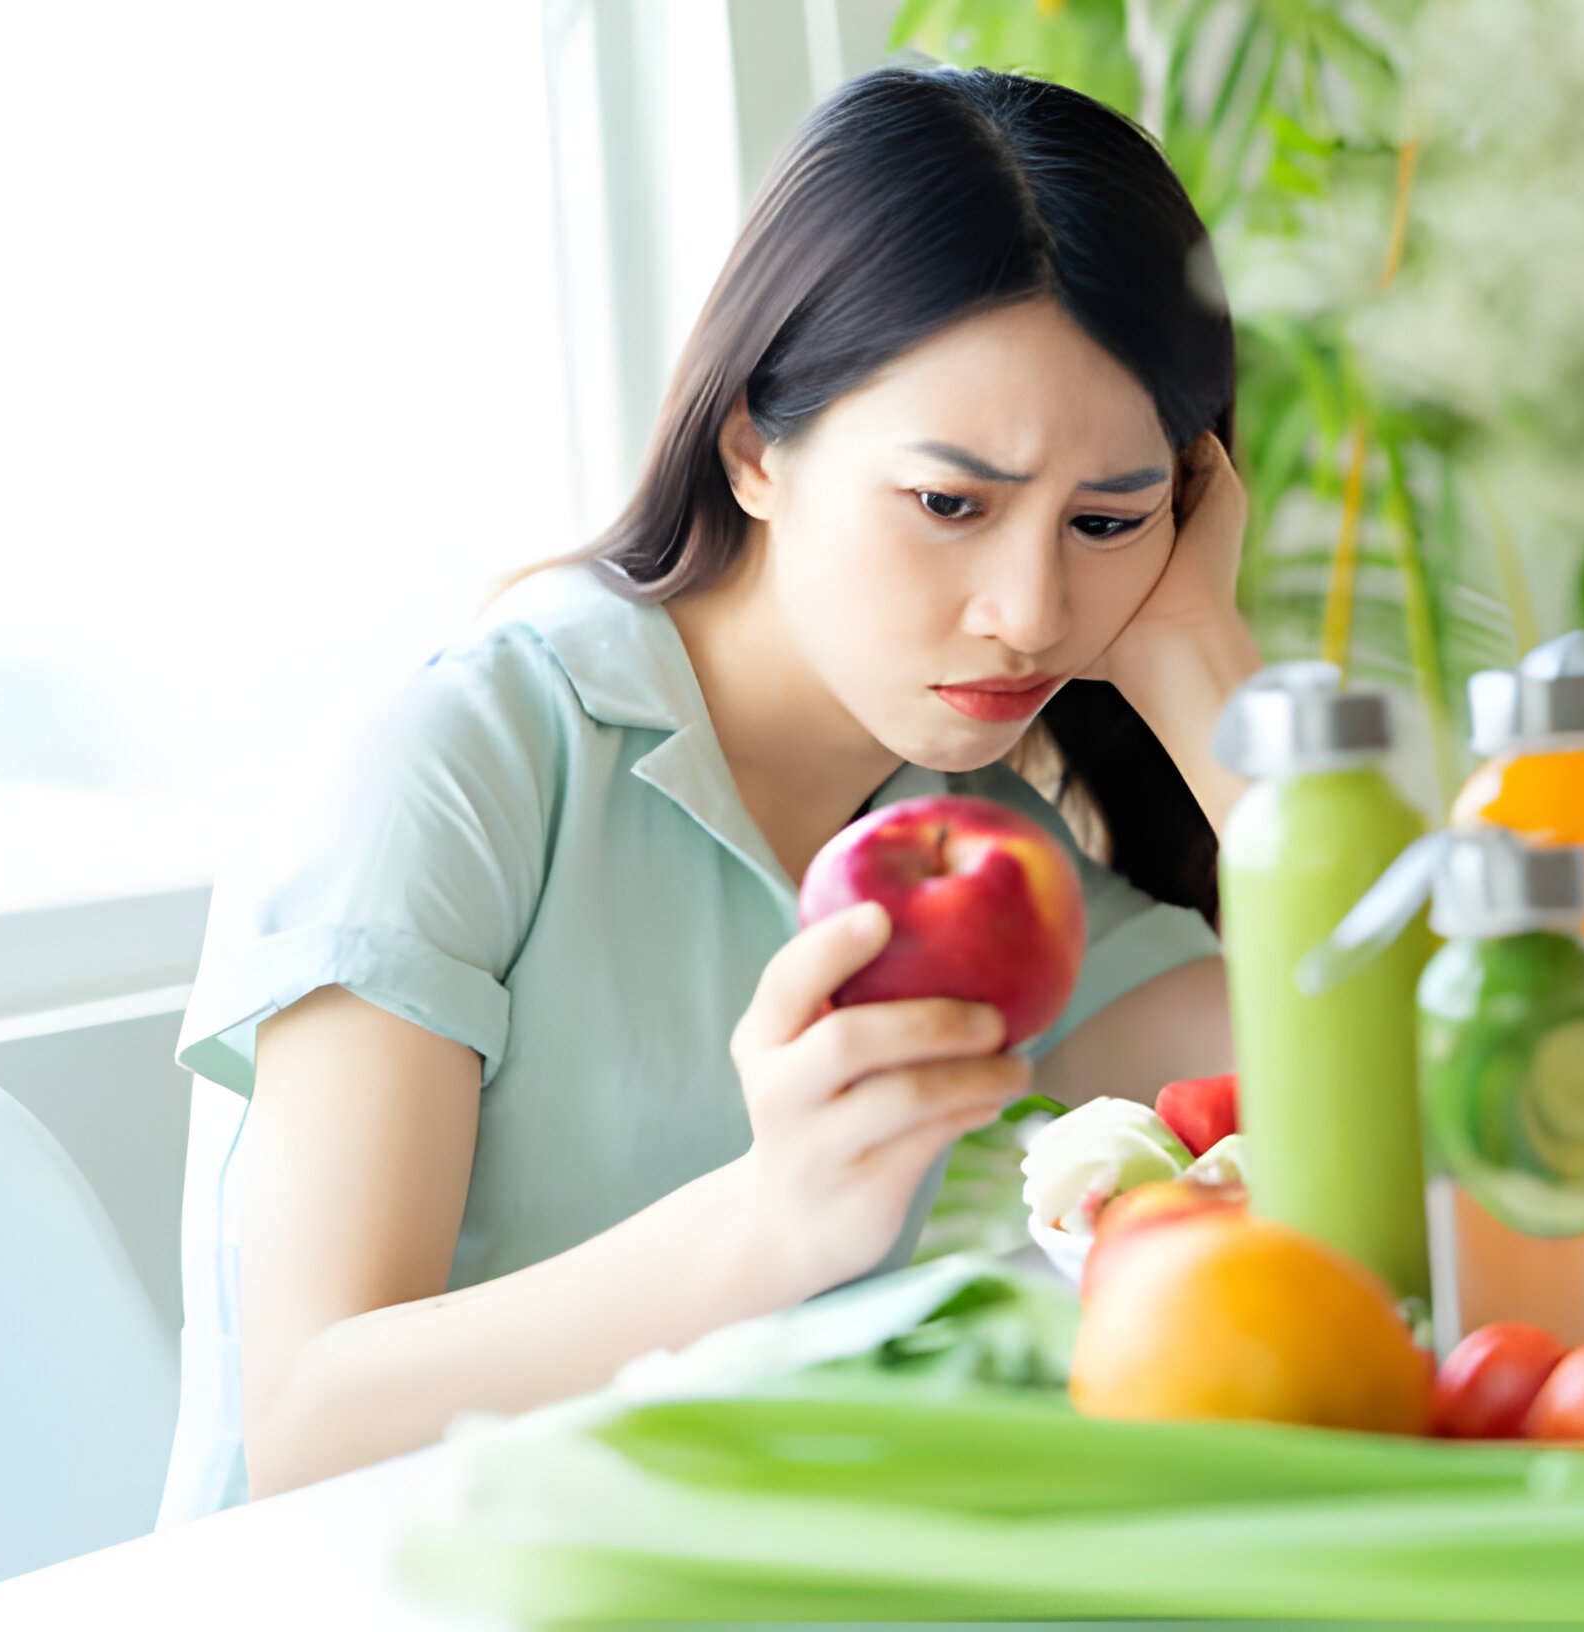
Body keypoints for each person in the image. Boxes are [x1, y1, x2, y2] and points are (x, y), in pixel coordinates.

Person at [158, 63, 1256, 1517]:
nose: (1030, 611)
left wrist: (1194, 653)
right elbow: (308, 1424)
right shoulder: (459, 761)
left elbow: (1444, 1105)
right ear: (754, 447)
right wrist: (775, 1220)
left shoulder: (967, 823)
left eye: (1107, 519)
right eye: (949, 504)